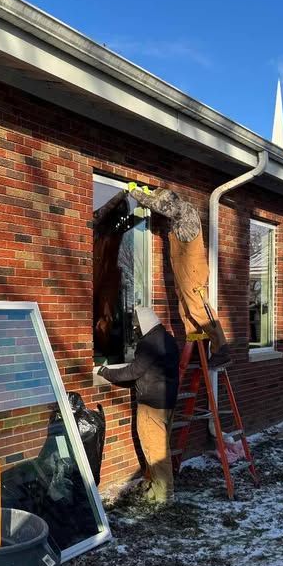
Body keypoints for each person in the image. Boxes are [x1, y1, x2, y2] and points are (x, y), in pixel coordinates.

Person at [128, 185, 232, 368]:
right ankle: (196, 349)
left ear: (170, 200)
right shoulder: (178, 216)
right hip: (183, 270)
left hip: (191, 270)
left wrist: (136, 193)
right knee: (186, 309)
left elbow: (161, 206)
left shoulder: (183, 209)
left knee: (198, 307)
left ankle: (221, 348)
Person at [97, 306, 180, 503]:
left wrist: (106, 372)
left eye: (136, 328)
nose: (135, 331)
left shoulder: (149, 343)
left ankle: (164, 494)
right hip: (168, 402)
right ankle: (156, 487)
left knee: (155, 451)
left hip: (151, 405)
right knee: (161, 447)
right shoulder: (168, 339)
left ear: (143, 325)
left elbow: (133, 371)